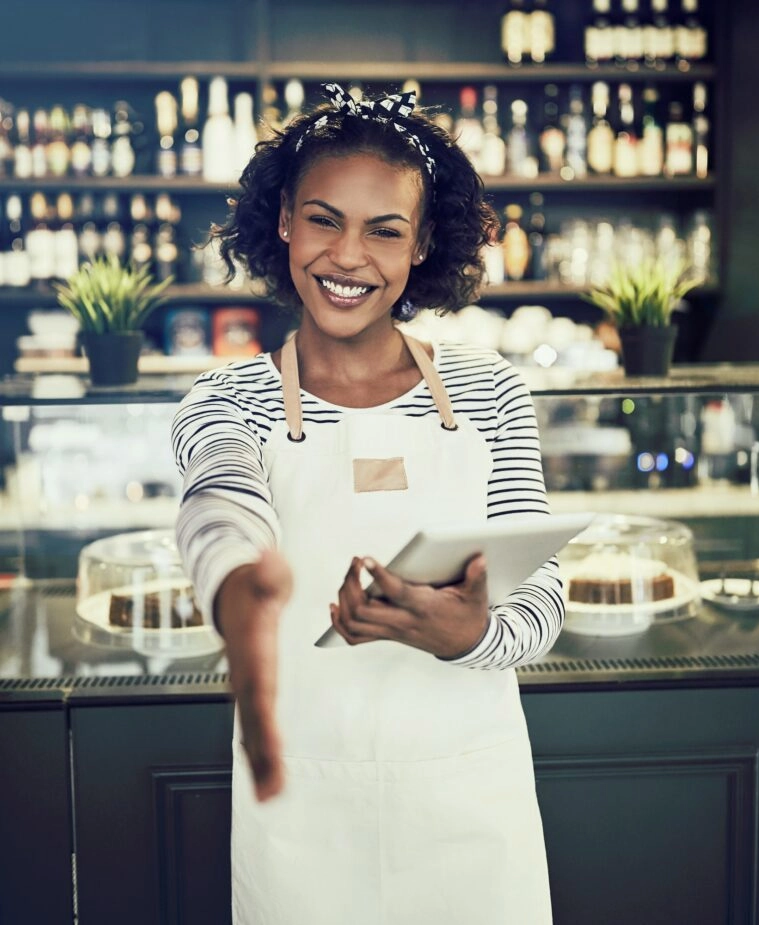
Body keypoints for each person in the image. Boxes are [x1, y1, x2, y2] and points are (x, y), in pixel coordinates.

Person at [172, 82, 565, 925]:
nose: (349, 256)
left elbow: (543, 593)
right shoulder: (227, 400)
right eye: (324, 219)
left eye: (384, 231)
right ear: (282, 222)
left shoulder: (491, 392)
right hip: (305, 810)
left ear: (421, 245)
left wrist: (472, 635)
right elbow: (220, 501)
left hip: (468, 803)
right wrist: (235, 581)